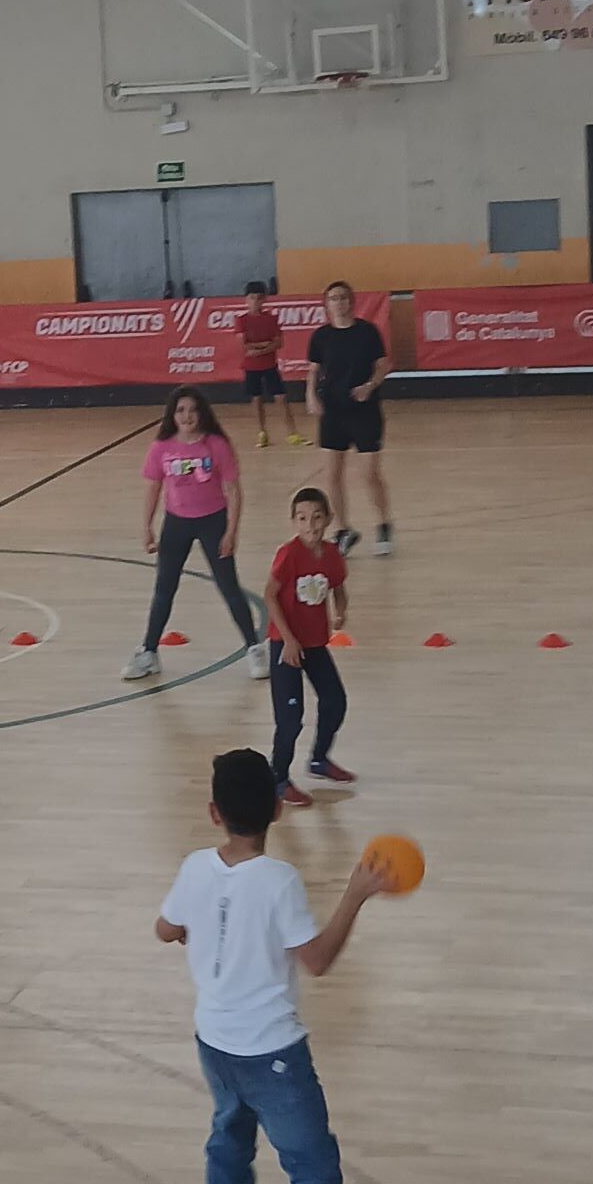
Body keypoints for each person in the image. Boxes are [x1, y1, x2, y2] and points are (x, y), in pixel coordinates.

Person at [156, 749, 390, 1184]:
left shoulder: (194, 867)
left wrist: (196, 928)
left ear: (214, 812)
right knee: (316, 1171)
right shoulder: (279, 881)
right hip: (272, 1053)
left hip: (214, 1042)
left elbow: (164, 929)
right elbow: (316, 960)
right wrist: (356, 895)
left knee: (230, 1137)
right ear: (277, 812)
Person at [122, 390, 268, 684]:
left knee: (229, 587)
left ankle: (254, 648)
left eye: (192, 409)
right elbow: (153, 488)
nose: (186, 416)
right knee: (164, 589)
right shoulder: (161, 447)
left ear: (202, 413)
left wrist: (231, 531)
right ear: (172, 415)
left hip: (213, 522)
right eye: (180, 410)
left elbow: (233, 490)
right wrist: (147, 526)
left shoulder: (217, 445)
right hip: (177, 524)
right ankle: (149, 652)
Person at [263, 487, 352, 800]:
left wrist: (341, 611)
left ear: (327, 519)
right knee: (289, 719)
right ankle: (278, 778)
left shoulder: (331, 554)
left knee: (335, 701)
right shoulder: (288, 555)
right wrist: (288, 640)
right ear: (294, 522)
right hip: (286, 645)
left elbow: (338, 587)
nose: (310, 525)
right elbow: (270, 595)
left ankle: (319, 759)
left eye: (316, 517)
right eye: (302, 518)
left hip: (314, 643)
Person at [304, 281, 393, 557]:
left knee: (369, 474)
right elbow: (313, 370)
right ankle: (344, 529)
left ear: (351, 302)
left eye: (343, 297)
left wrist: (370, 385)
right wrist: (311, 396)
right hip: (333, 412)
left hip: (364, 411)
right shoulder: (321, 336)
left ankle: (383, 524)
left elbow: (383, 365)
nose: (339, 302)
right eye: (333, 298)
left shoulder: (367, 332)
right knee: (332, 475)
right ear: (326, 304)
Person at [239, 282, 303, 452]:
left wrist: (259, 349)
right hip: (252, 367)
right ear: (246, 300)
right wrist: (266, 344)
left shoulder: (271, 319)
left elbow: (278, 343)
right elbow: (244, 345)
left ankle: (292, 432)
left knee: (281, 398)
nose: (255, 301)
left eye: (259, 298)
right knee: (257, 399)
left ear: (264, 300)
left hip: (270, 366)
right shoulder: (242, 320)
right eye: (252, 298)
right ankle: (262, 432)